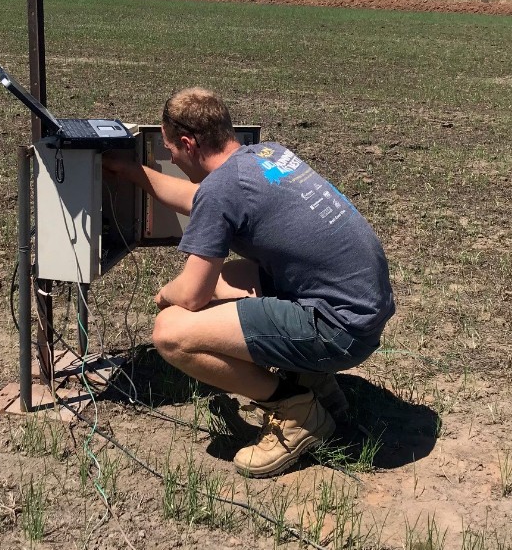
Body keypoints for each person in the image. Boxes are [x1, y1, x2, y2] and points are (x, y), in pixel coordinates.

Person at [106, 88, 395, 477]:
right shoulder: (265, 156)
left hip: (340, 330)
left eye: (170, 149)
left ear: (188, 143)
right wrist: (131, 172)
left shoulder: (221, 189)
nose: (170, 157)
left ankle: (295, 410)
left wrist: (165, 294)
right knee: (227, 279)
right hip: (363, 309)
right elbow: (201, 198)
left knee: (170, 330)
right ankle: (313, 378)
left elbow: (191, 296)